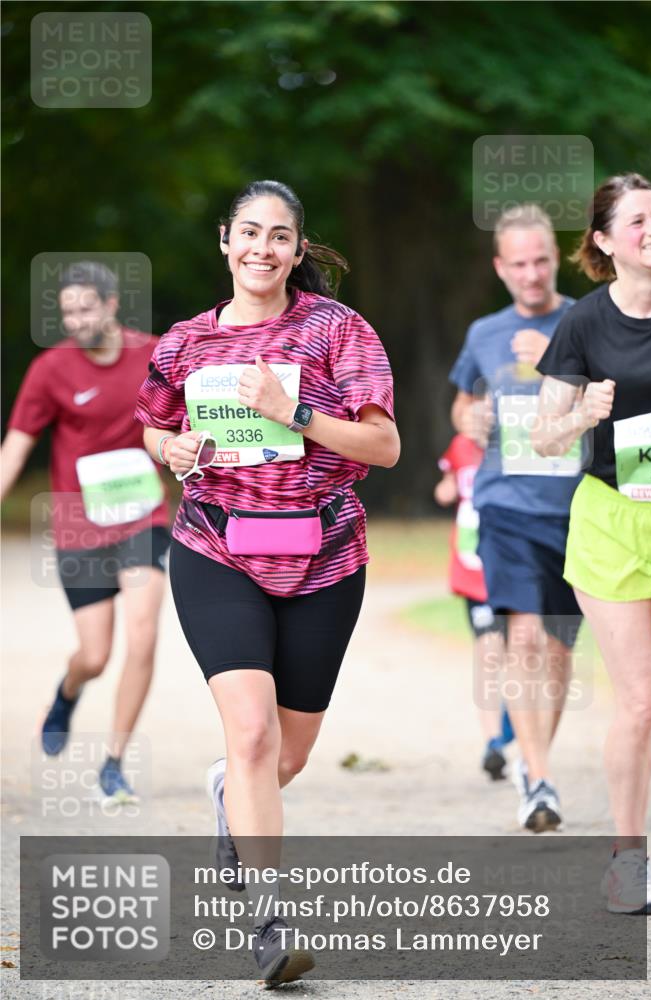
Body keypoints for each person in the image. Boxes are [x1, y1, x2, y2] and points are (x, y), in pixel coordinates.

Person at [135, 179, 399, 985]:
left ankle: (227, 792)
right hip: (215, 549)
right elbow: (151, 419)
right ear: (224, 240)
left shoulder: (337, 330)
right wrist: (166, 450)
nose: (261, 248)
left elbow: (383, 448)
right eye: (248, 233)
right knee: (250, 734)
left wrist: (296, 413)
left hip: (325, 556)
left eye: (278, 236)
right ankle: (270, 923)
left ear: (296, 248)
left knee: (286, 754)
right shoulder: (185, 342)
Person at [533, 172, 651, 915]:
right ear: (605, 241)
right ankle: (626, 863)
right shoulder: (583, 324)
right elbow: (543, 438)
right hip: (612, 518)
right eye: (640, 220)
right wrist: (583, 413)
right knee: (641, 705)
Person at [1, 261, 170, 802]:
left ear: (112, 305)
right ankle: (66, 694)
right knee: (94, 656)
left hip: (144, 515)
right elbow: (15, 450)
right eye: (67, 312)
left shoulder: (154, 354)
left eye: (86, 309)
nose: (76, 321)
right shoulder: (50, 370)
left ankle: (114, 762)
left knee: (143, 631)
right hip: (79, 522)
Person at [449, 204, 583, 833]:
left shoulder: (587, 320)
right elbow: (463, 403)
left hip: (575, 508)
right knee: (522, 638)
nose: (532, 274)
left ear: (556, 259)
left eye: (542, 261)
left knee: (556, 651)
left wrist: (557, 356)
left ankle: (536, 764)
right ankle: (538, 778)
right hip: (505, 504)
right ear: (501, 267)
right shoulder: (484, 332)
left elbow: (620, 399)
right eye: (519, 264)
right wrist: (467, 419)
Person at [434, 433, 513, 780]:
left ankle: (515, 731)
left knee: (523, 653)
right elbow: (445, 489)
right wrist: (448, 489)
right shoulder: (460, 446)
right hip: (474, 568)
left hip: (513, 563)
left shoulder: (517, 439)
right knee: (489, 652)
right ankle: (494, 741)